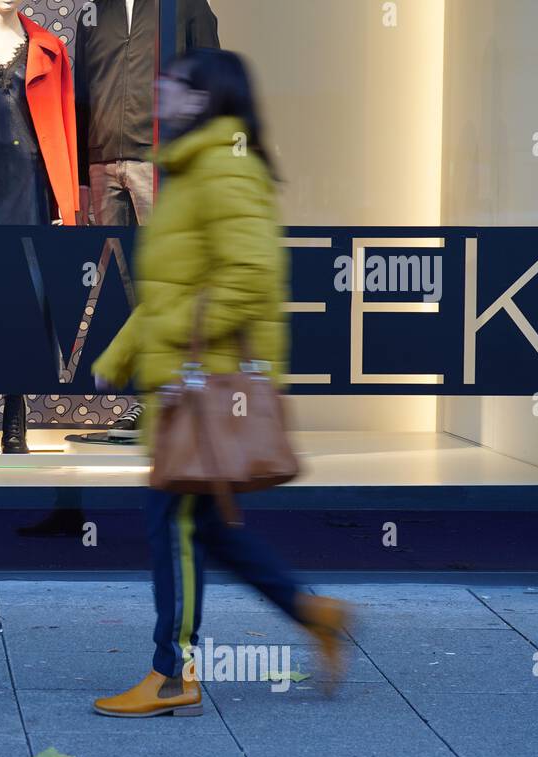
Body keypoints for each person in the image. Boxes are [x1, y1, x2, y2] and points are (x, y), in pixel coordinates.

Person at [90, 49, 351, 718]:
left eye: (174, 83)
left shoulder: (227, 168)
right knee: (204, 524)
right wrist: (123, 356)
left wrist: (178, 354)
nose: (160, 90)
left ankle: (173, 673)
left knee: (170, 521)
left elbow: (248, 278)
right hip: (191, 375)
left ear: (205, 99)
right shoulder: (197, 167)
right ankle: (313, 611)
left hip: (208, 383)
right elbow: (178, 287)